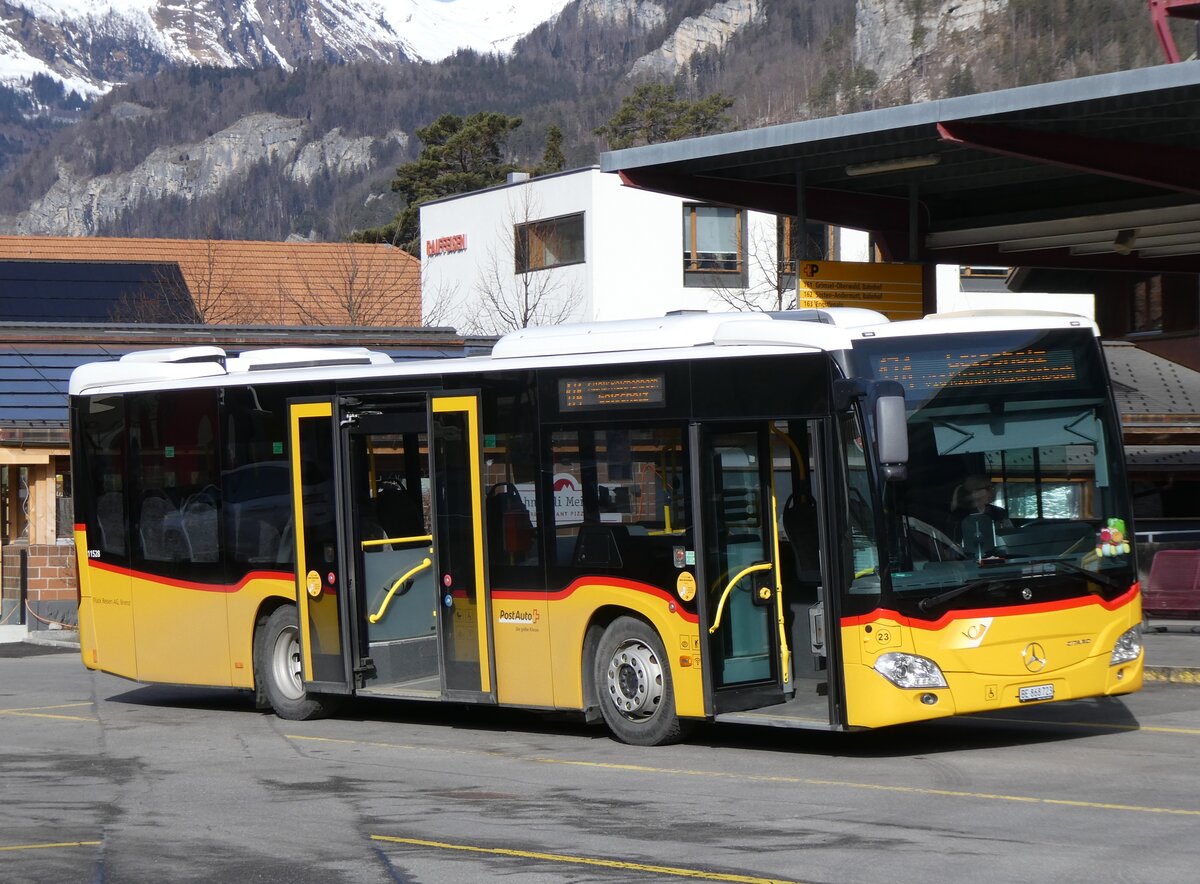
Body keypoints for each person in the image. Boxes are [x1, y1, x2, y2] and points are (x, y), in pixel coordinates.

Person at [950, 475, 1012, 554]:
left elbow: (1010, 538)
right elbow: (954, 544)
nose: (992, 491)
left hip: (998, 559)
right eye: (987, 488)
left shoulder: (999, 512)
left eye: (992, 488)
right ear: (974, 492)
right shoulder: (960, 515)